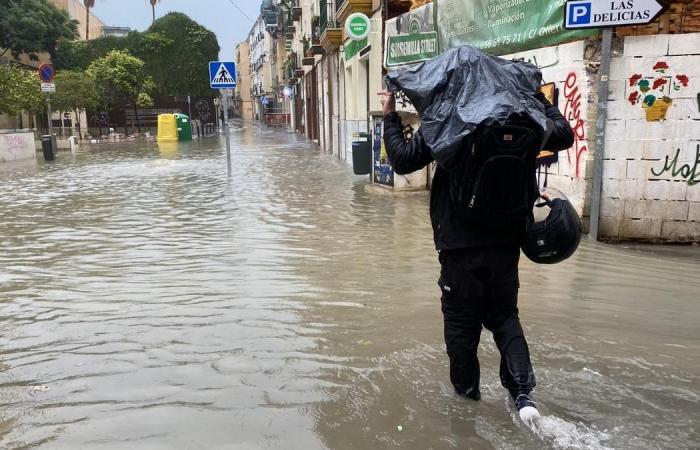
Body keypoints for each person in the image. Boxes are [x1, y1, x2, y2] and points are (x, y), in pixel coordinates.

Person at [378, 88, 574, 421]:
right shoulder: (525, 118)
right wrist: (540, 101)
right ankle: (524, 396)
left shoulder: (447, 117)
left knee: (461, 329)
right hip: (506, 244)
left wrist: (389, 115)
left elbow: (402, 160)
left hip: (459, 247)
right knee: (505, 317)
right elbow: (565, 135)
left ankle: (466, 408)